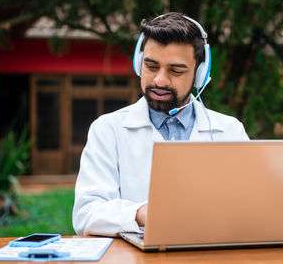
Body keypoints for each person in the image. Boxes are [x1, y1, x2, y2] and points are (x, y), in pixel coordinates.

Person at [72, 12, 250, 236]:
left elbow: (250, 207)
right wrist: (142, 213)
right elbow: (86, 214)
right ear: (139, 64)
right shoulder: (107, 130)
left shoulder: (231, 131)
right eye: (152, 67)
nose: (160, 80)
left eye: (175, 70)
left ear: (200, 75)